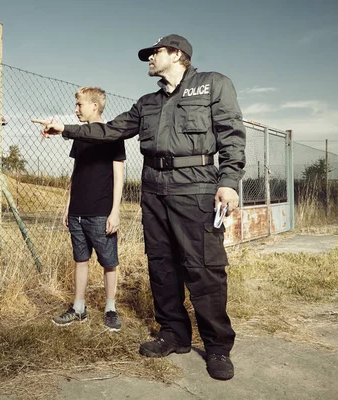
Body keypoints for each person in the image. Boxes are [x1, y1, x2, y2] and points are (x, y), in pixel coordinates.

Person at [32, 34, 246, 381]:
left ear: (177, 54)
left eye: (155, 52)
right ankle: (173, 333)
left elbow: (232, 133)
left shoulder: (212, 85)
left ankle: (218, 346)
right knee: (162, 265)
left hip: (196, 187)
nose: (149, 58)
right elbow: (113, 130)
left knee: (203, 268)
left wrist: (228, 182)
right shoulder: (147, 103)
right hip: (154, 190)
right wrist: (67, 129)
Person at [51, 87, 126, 332]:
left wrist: (115, 211)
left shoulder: (113, 135)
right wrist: (67, 207)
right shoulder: (79, 135)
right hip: (77, 212)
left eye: (79, 105)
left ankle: (110, 309)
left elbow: (118, 175)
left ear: (94, 105)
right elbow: (76, 174)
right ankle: (79, 308)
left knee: (109, 262)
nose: (76, 110)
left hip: (101, 213)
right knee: (80, 260)